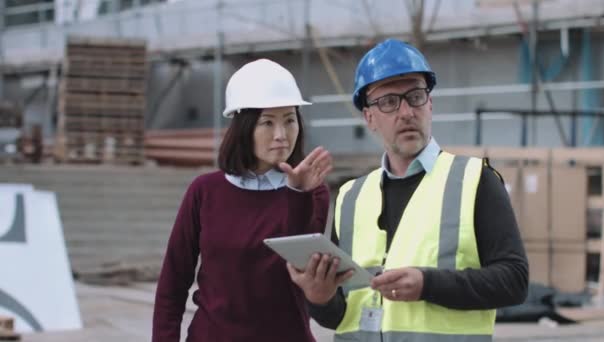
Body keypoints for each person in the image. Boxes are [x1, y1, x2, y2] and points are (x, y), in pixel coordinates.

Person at [288, 39, 529, 341]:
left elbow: (515, 281)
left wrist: (428, 284)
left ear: (430, 104)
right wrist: (319, 297)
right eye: (388, 101)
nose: (406, 112)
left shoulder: (475, 180)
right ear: (369, 117)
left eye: (415, 96)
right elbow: (341, 316)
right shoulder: (351, 197)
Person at [152, 58, 333, 342]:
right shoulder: (205, 191)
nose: (281, 135)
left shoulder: (312, 191)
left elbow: (298, 263)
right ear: (243, 126)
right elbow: (173, 282)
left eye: (289, 119)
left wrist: (298, 194)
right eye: (267, 122)